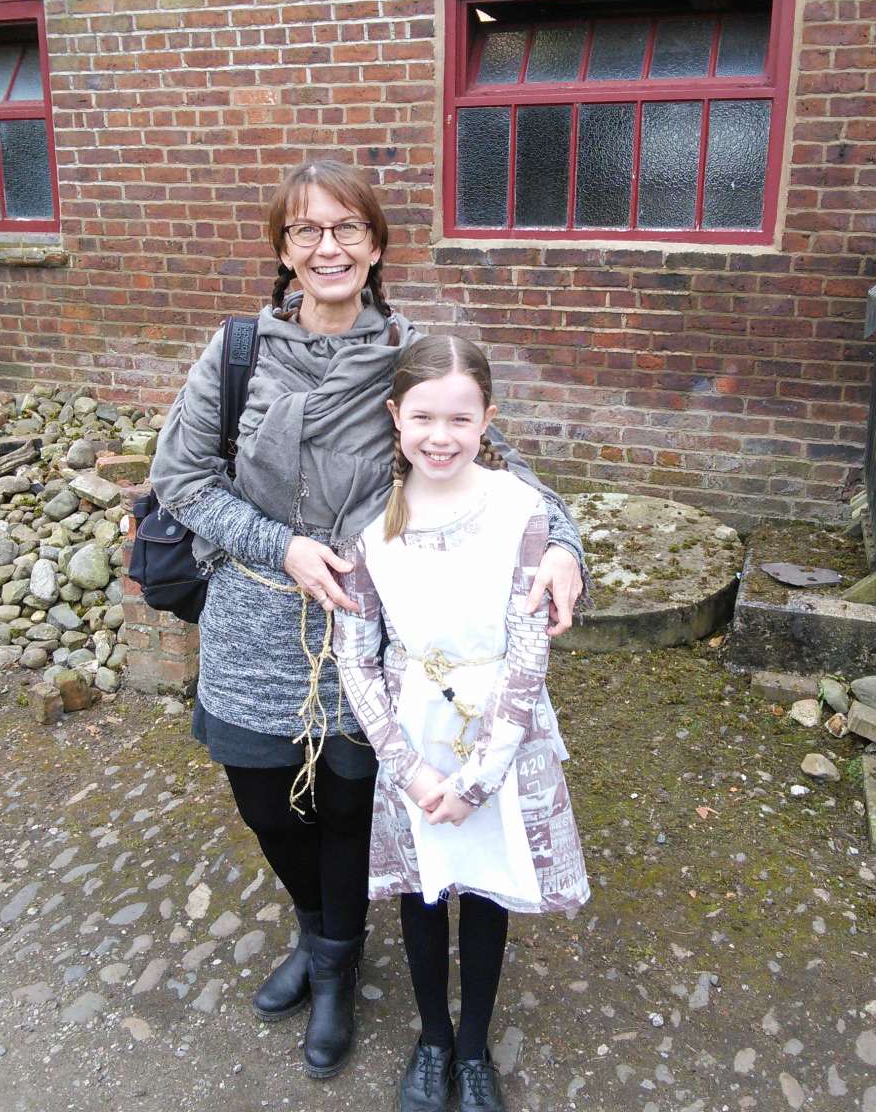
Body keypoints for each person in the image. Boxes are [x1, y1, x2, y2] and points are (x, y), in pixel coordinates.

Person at [149, 160, 588, 1080]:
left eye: (348, 228)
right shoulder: (237, 351)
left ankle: (338, 966)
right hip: (254, 619)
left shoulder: (406, 355)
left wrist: (564, 548)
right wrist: (281, 546)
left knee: (349, 806)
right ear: (282, 251)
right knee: (267, 804)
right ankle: (315, 934)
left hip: (369, 627)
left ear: (377, 246)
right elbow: (182, 480)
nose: (328, 248)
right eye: (306, 231)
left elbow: (503, 467)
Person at [334, 334, 590, 1112]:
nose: (439, 436)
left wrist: (480, 778)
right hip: (411, 730)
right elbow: (356, 654)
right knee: (423, 892)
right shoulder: (370, 525)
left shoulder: (521, 512)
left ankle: (474, 1044)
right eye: (422, 418)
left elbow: (528, 655)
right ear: (395, 417)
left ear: (488, 418)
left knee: (482, 891)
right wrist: (409, 771)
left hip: (497, 735)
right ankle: (434, 1038)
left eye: (459, 418)